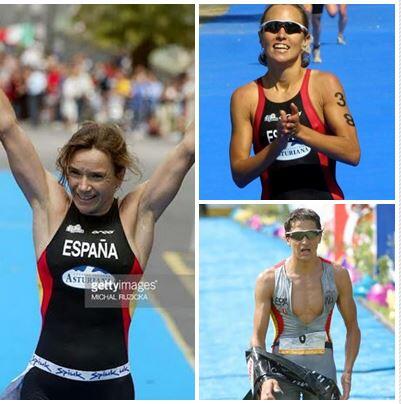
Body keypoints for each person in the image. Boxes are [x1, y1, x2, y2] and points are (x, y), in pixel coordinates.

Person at [0, 87, 194, 399]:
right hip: (45, 385)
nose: (83, 186)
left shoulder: (136, 215)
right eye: (75, 173)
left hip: (112, 388)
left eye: (96, 176)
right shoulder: (51, 208)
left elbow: (188, 149)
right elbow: (7, 127)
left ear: (119, 177)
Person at [230, 4, 360, 200]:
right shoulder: (244, 97)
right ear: (260, 37)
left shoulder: (325, 84)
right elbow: (239, 175)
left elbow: (352, 152)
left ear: (306, 39)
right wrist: (278, 144)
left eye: (291, 28)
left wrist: (300, 132)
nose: (281, 35)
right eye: (272, 27)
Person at [249, 208, 361, 399]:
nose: (305, 242)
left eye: (311, 235)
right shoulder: (268, 279)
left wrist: (348, 371)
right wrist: (264, 376)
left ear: (320, 237)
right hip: (281, 370)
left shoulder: (338, 276)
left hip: (322, 369)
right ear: (287, 239)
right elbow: (257, 337)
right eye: (298, 236)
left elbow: (353, 328)